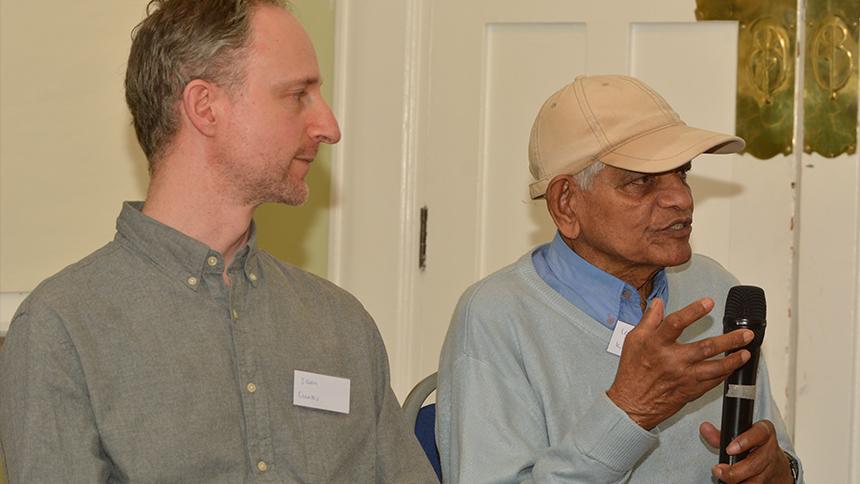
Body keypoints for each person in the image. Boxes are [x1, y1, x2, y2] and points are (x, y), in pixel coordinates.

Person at [0, 1, 437, 482]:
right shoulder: (65, 328)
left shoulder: (341, 326)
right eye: (297, 95)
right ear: (205, 107)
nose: (328, 127)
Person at [436, 75, 803, 483]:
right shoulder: (496, 317)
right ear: (566, 204)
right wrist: (630, 411)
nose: (681, 198)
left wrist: (781, 472)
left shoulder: (713, 289)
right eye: (641, 181)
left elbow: (775, 453)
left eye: (681, 173)